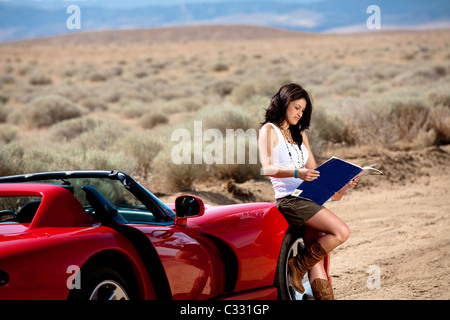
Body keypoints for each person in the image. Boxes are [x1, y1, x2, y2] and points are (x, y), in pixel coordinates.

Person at [258, 83, 358, 300]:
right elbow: (266, 168)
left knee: (317, 259)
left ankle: (307, 272)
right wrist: (297, 173)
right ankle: (297, 264)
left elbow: (314, 171)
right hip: (291, 200)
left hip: (310, 196)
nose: (299, 113)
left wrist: (343, 179)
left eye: (302, 110)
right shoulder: (269, 130)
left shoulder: (300, 133)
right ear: (284, 104)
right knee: (341, 232)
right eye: (296, 108)